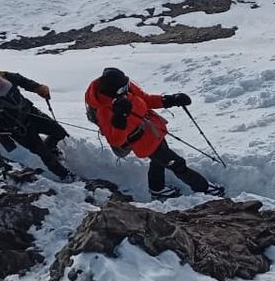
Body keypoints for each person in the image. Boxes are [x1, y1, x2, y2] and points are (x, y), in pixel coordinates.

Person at [85, 67, 224, 200]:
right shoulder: (104, 110)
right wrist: (120, 118)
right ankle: (203, 188)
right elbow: (116, 141)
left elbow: (145, 99)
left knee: (159, 161)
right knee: (177, 164)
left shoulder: (122, 87)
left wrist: (169, 100)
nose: (128, 88)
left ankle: (157, 189)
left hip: (153, 130)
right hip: (142, 141)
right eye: (124, 88)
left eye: (127, 84)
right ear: (114, 91)